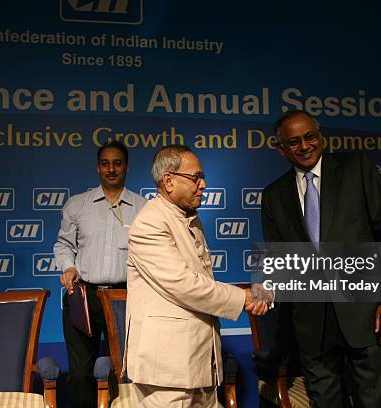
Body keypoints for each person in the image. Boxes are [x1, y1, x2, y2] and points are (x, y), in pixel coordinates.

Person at [260, 110, 381, 407]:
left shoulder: (356, 168)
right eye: (294, 141)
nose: (305, 146)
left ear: (321, 136)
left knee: (375, 401)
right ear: (281, 149)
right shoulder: (273, 195)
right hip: (311, 323)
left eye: (310, 137)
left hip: (366, 315)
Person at [125, 145, 269, 407]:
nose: (203, 184)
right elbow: (184, 285)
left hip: (200, 365)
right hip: (167, 373)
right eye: (195, 177)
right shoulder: (150, 223)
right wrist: (244, 297)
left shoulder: (188, 219)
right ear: (169, 181)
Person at [53, 141, 146, 408]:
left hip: (127, 298)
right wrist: (68, 267)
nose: (111, 169)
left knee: (129, 372)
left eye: (117, 163)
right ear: (97, 168)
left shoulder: (143, 208)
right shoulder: (78, 205)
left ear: (127, 167)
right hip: (84, 298)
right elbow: (64, 245)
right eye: (105, 163)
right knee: (81, 374)